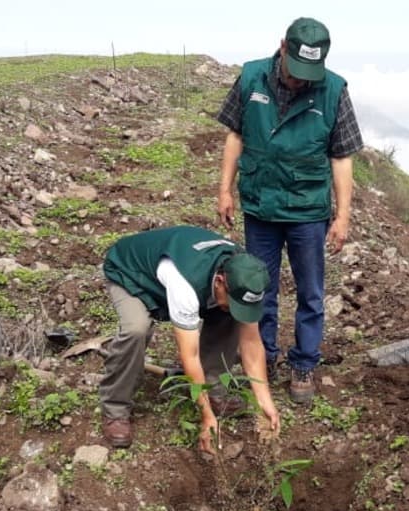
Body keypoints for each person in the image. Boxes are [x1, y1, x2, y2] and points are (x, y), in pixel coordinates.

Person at [215, 17, 363, 406]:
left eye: (308, 74)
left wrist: (343, 214)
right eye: (296, 71)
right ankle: (262, 356)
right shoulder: (251, 79)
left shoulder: (333, 90)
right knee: (258, 286)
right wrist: (224, 190)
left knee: (310, 291)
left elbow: (342, 157)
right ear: (282, 47)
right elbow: (235, 135)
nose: (300, 81)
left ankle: (304, 361)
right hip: (261, 204)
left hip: (307, 210)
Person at [100, 226, 281, 453]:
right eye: (233, 300)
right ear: (220, 281)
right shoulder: (185, 284)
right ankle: (115, 409)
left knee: (230, 315)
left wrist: (265, 401)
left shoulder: (246, 276)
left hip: (179, 275)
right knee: (136, 329)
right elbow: (189, 354)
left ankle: (214, 389)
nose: (236, 306)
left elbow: (252, 344)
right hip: (130, 272)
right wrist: (206, 417)